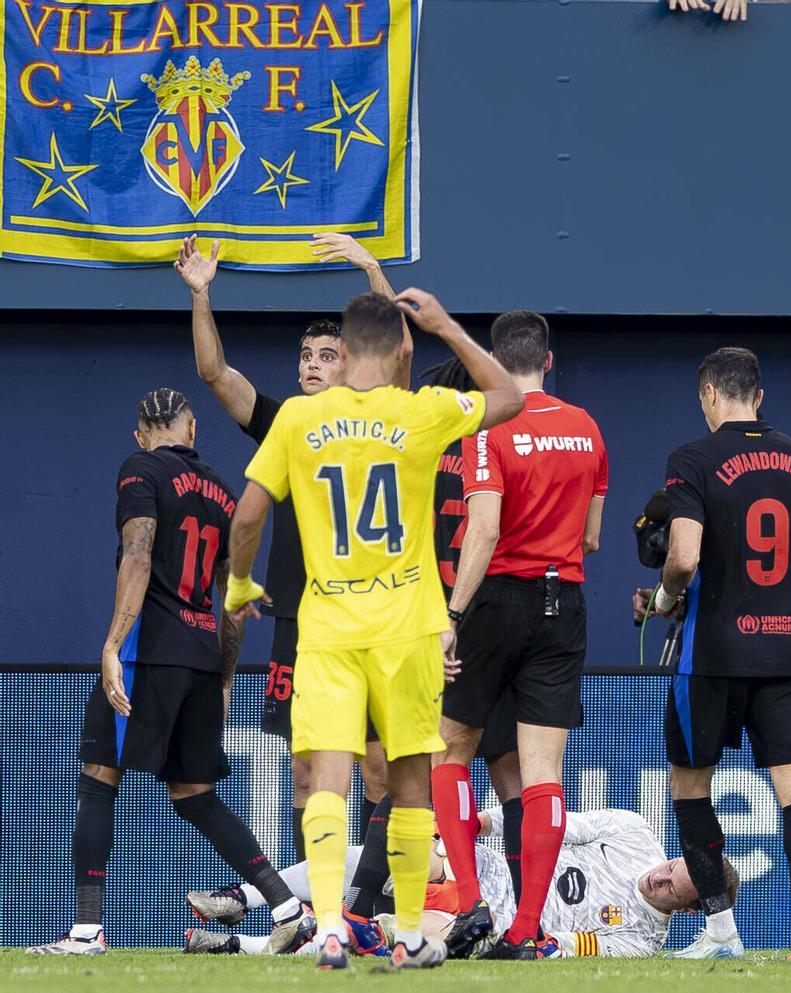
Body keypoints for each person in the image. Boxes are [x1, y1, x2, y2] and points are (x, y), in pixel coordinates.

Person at [222, 290, 523, 970]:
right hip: (407, 628)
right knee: (410, 784)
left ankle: (330, 928)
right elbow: (508, 396)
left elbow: (247, 515)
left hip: (328, 627)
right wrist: (445, 325)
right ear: (396, 351)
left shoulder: (299, 418)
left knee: (327, 780)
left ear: (348, 347)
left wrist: (239, 584)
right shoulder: (421, 411)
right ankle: (409, 934)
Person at [28, 389, 309, 957]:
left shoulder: (140, 468)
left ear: (140, 435)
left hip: (149, 651)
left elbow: (138, 555)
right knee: (196, 794)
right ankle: (288, 908)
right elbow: (234, 598)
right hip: (203, 654)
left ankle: (85, 931)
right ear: (193, 429)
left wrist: (112, 644)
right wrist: (225, 678)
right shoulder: (224, 492)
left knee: (99, 776)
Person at [176, 233, 397, 858]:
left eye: (327, 355)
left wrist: (371, 268)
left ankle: (370, 901)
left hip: (369, 615)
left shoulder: (380, 418)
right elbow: (215, 373)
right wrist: (201, 294)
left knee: (378, 769)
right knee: (306, 771)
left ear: (352, 366)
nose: (312, 364)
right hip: (300, 619)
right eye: (306, 355)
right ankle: (309, 901)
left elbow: (398, 349)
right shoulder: (285, 423)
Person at [638, 347, 791, 960]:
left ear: (709, 394)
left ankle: (721, 931)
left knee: (690, 788)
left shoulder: (692, 458)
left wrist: (665, 597)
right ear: (760, 396)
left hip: (711, 654)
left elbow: (683, 556)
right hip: (783, 651)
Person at [432, 310, 608, 961]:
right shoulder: (587, 427)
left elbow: (482, 529)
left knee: (449, 750)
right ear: (549, 361)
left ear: (495, 363)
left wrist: (453, 617)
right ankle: (526, 927)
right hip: (565, 601)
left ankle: (471, 901)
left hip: (498, 596)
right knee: (543, 773)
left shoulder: (489, 425)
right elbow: (591, 537)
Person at [336, 358, 523, 958]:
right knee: (513, 776)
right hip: (491, 625)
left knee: (415, 770)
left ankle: (362, 906)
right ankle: (523, 922)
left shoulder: (407, 453)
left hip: (422, 621)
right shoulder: (496, 450)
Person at [186, 807, 736, 959]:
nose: (660, 875)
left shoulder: (643, 940)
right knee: (387, 852)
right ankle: (246, 897)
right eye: (673, 865)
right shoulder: (637, 832)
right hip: (479, 871)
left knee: (393, 934)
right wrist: (482, 822)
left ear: (690, 910)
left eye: (673, 888)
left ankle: (237, 944)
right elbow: (553, 824)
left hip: (490, 923)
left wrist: (514, 940)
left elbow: (566, 947)